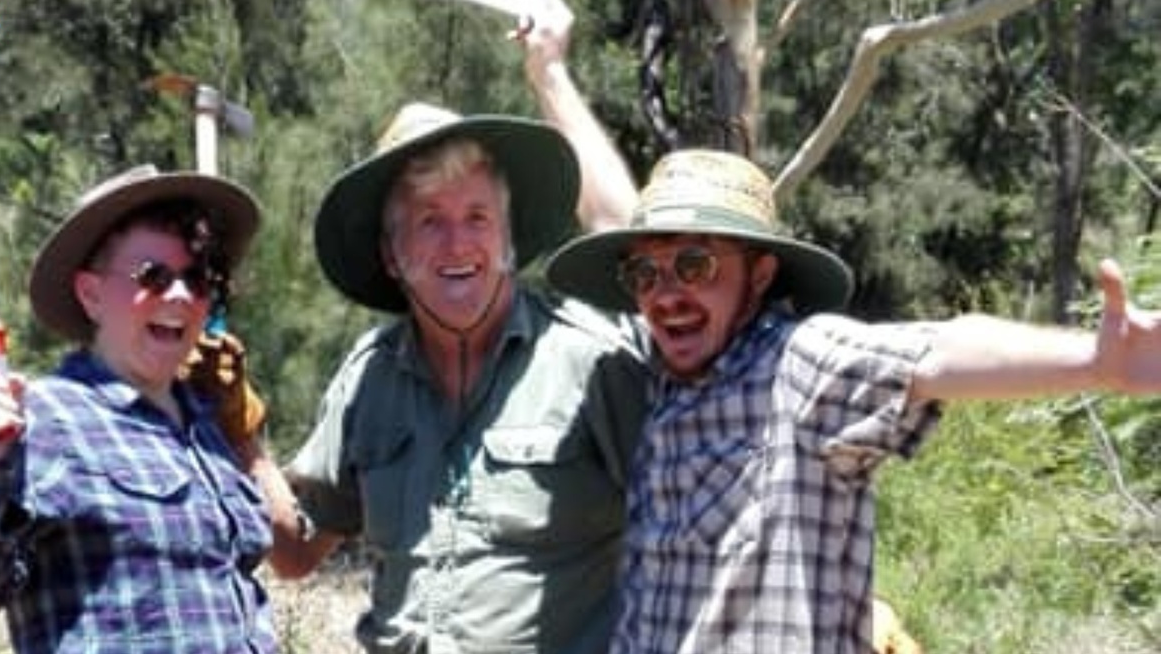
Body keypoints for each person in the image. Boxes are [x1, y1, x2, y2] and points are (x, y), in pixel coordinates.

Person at [538, 133, 1161, 649]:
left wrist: (1098, 362)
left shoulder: (799, 365)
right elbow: (611, 214)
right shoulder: (664, 374)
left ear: (758, 276)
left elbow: (939, 350)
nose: (666, 292)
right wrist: (548, 71)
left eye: (695, 265)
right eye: (644, 274)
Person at [245, 101, 652, 653]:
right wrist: (239, 433)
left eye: (477, 218)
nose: (457, 244)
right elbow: (295, 552)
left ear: (507, 238)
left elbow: (687, 533)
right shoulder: (369, 379)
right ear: (392, 253)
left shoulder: (591, 362)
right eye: (429, 221)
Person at [0, 164, 278, 654]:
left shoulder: (204, 423)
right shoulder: (48, 418)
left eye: (197, 278)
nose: (180, 295)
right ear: (91, 294)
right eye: (152, 276)